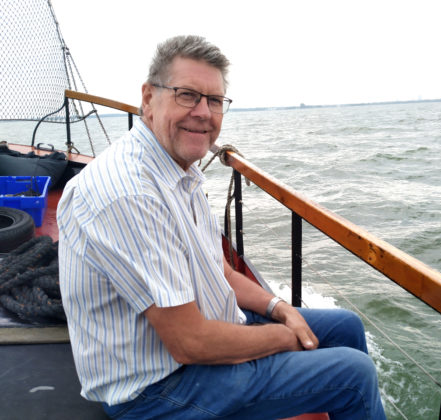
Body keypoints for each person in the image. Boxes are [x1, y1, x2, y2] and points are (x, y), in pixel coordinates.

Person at [57, 35, 386, 420]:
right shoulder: (129, 193)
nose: (204, 112)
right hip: (155, 390)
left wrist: (280, 309)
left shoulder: (181, 171)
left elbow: (221, 271)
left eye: (214, 100)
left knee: (346, 326)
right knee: (353, 375)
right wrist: (285, 337)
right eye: (187, 95)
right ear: (148, 99)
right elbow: (189, 342)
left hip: (195, 346)